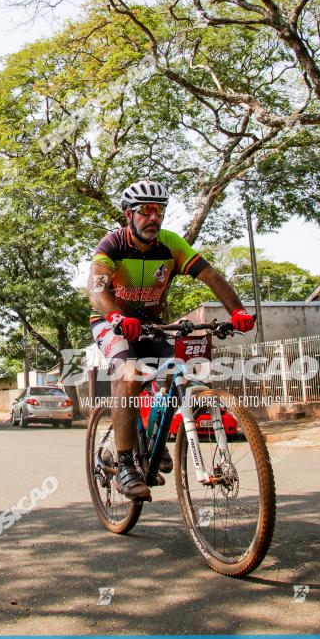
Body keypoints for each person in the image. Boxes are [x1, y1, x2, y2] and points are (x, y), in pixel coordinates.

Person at [86, 179, 255, 501]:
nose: (153, 218)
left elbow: (211, 276)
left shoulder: (172, 244)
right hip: (111, 322)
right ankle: (125, 465)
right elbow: (96, 289)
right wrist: (117, 317)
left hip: (152, 324)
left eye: (159, 211)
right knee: (129, 374)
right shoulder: (112, 245)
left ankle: (153, 439)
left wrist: (239, 312)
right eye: (145, 211)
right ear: (128, 215)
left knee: (180, 371)